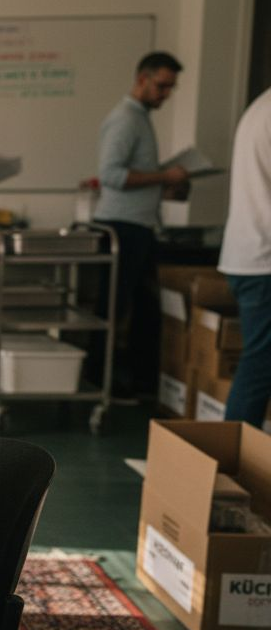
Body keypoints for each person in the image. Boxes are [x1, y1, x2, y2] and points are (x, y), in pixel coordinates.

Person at [91, 52, 189, 398]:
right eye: (161, 86)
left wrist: (165, 183)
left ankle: (138, 382)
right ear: (142, 79)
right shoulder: (126, 119)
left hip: (140, 225)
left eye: (171, 87)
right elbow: (111, 175)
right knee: (113, 309)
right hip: (122, 226)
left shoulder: (141, 118)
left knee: (144, 309)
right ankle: (100, 379)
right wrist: (164, 176)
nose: (166, 94)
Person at [220, 87, 271, 426]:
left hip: (249, 253)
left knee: (259, 362)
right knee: (261, 364)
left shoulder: (261, 106)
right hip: (264, 259)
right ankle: (234, 450)